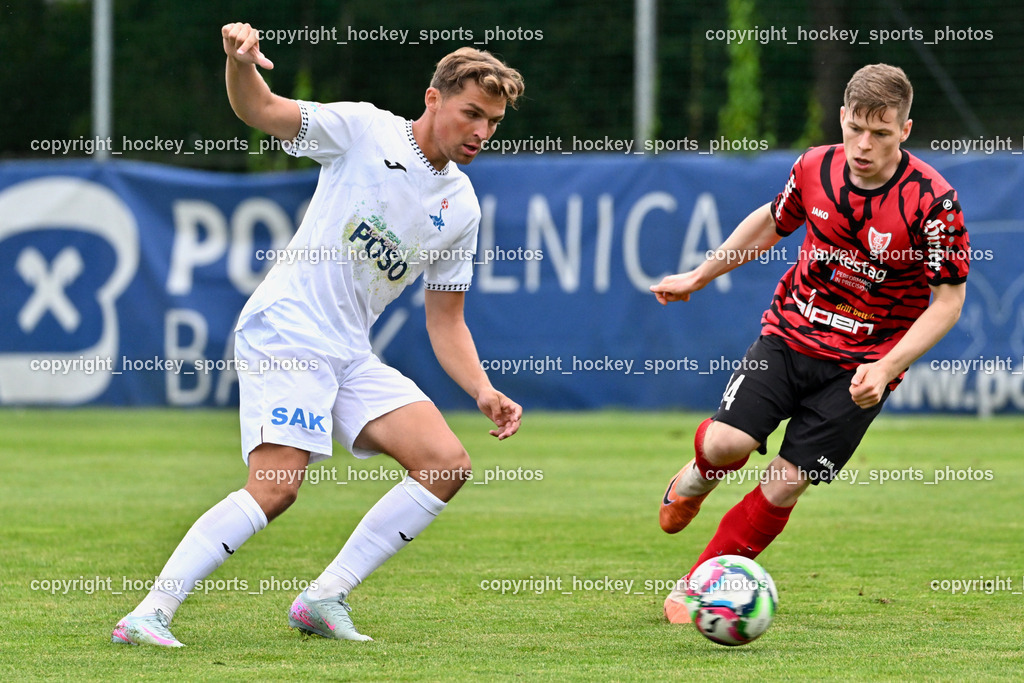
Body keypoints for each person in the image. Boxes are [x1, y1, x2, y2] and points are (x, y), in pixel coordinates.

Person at [112, 22, 524, 646]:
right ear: (433, 98)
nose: (481, 132)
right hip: (287, 330)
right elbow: (263, 109)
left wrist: (481, 389)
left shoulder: (461, 207)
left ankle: (323, 598)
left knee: (444, 463)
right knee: (277, 487)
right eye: (472, 113)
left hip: (349, 351)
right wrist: (239, 62)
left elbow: (446, 318)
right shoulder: (364, 129)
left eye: (493, 122)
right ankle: (150, 613)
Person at [650, 64, 968, 623]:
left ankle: (700, 587)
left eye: (882, 133)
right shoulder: (815, 166)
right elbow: (774, 222)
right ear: (842, 118)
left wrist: (889, 364)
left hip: (863, 369)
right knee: (727, 446)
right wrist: (698, 276)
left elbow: (947, 301)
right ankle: (695, 478)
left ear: (906, 131)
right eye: (856, 130)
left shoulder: (932, 202)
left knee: (784, 485)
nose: (865, 146)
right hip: (791, 334)